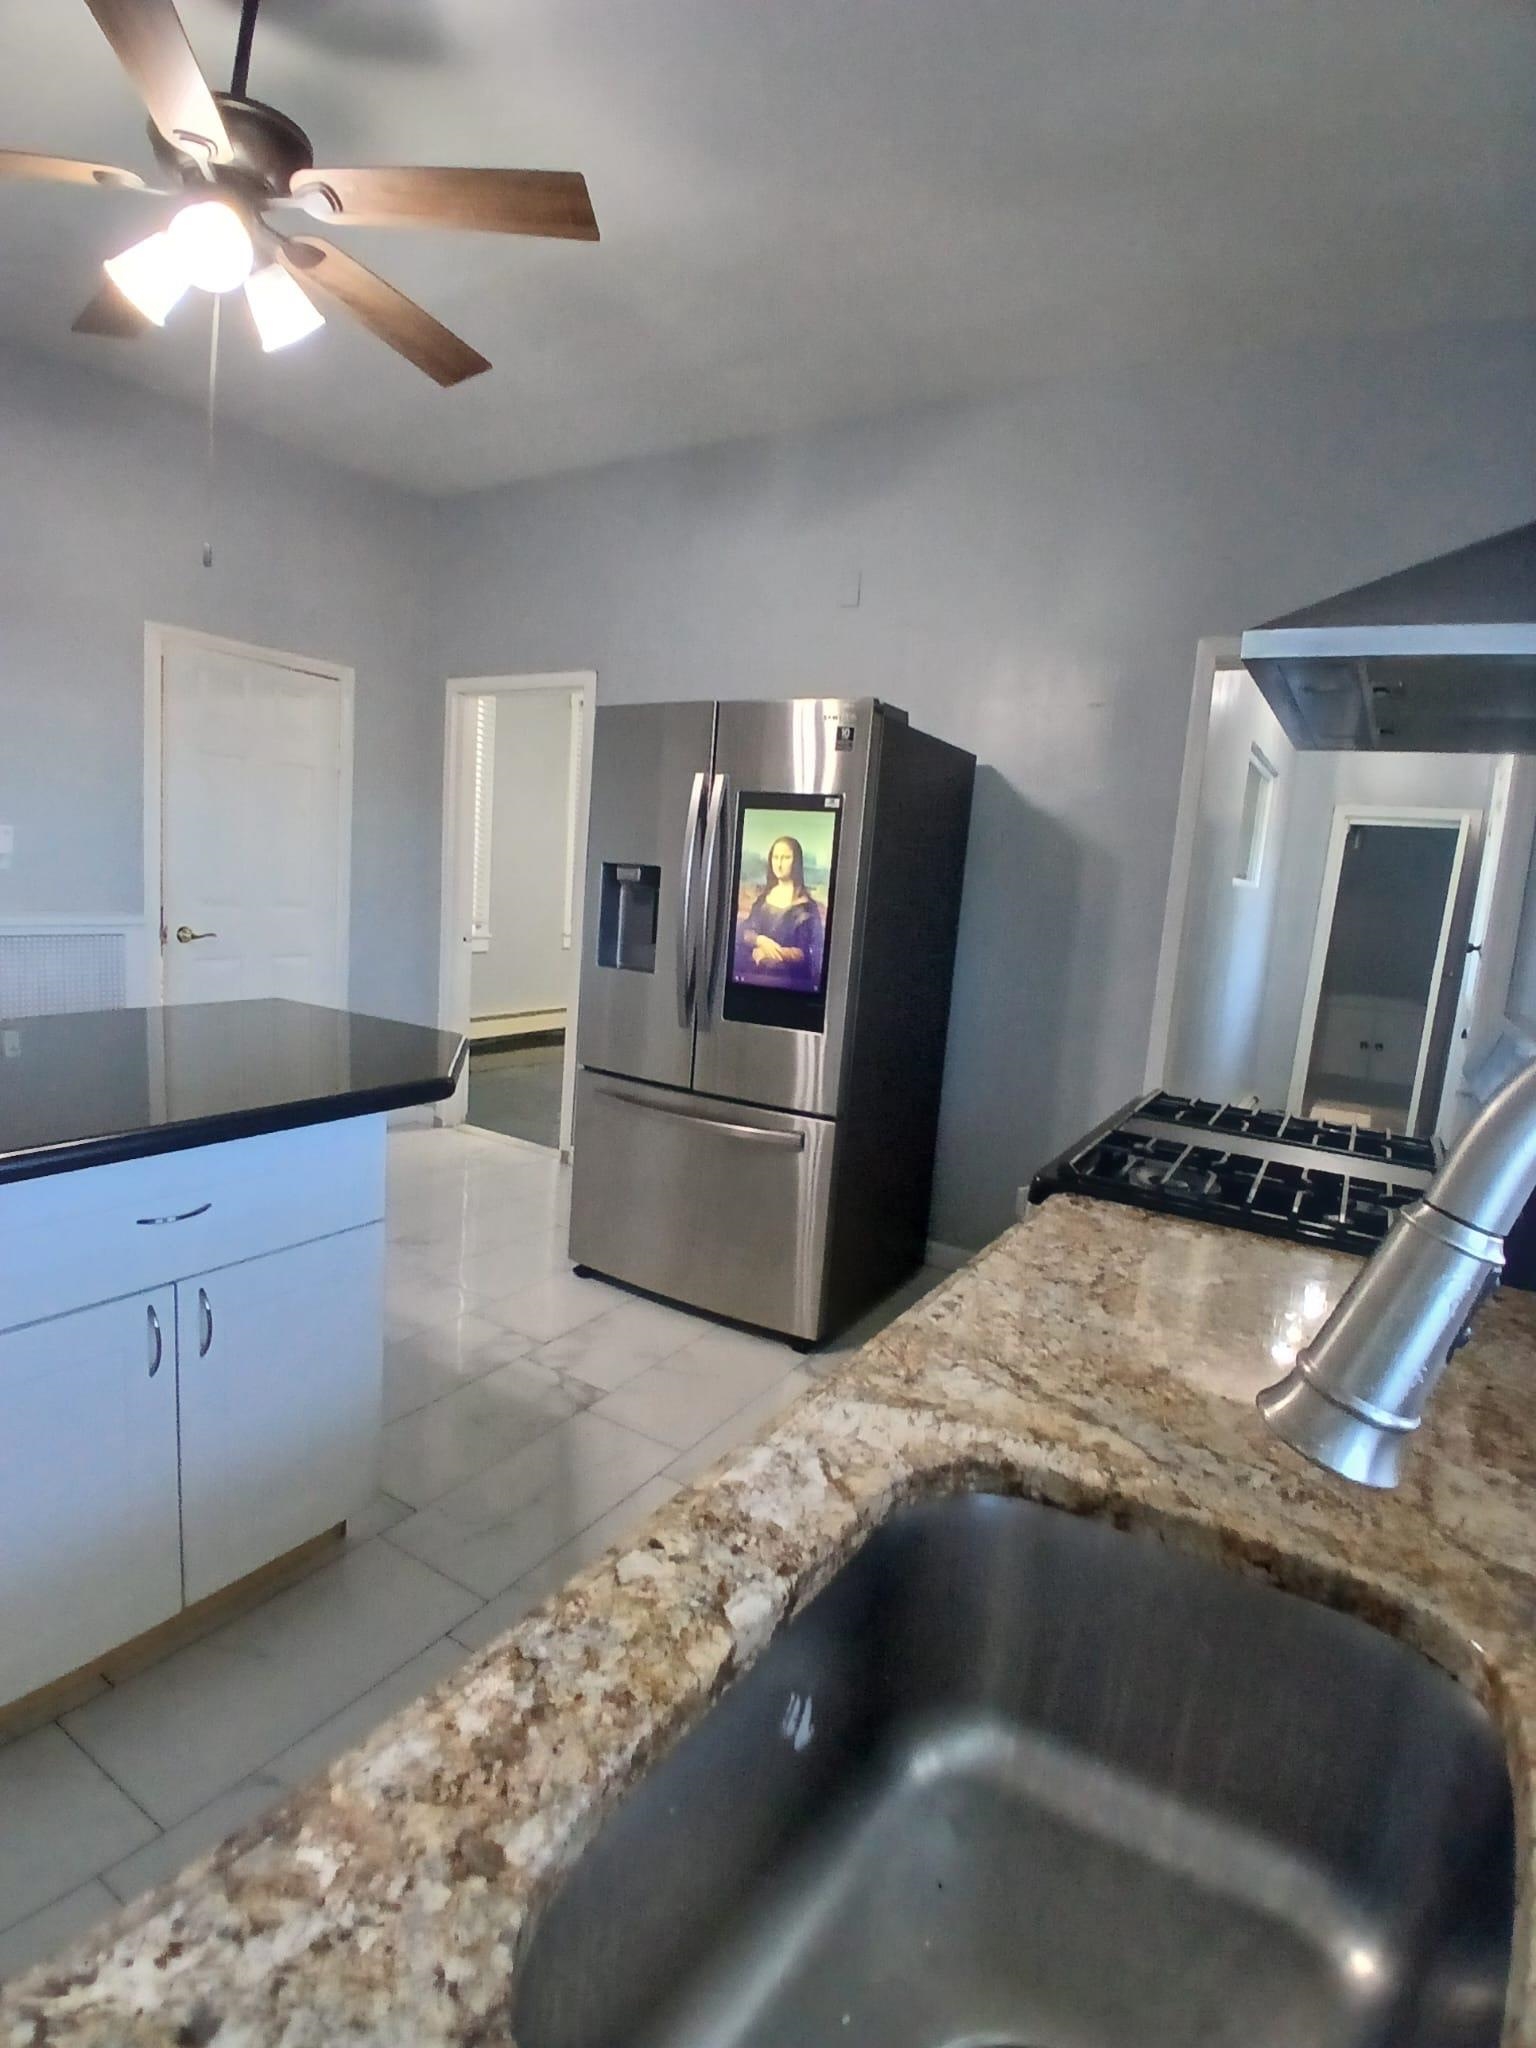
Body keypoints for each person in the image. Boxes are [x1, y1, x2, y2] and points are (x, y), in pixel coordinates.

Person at [735, 835, 824, 990]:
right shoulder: (763, 899)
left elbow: (809, 952)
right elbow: (745, 930)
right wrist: (760, 940)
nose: (779, 863)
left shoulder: (807, 907)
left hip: (789, 983)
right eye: (775, 857)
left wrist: (772, 953)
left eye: (785, 857)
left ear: (796, 861)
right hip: (754, 979)